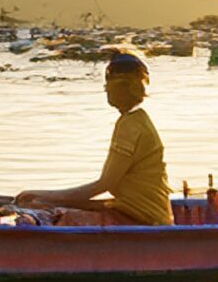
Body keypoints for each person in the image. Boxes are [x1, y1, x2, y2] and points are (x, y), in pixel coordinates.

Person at [15, 51, 173, 225]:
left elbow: (103, 184)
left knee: (52, 217)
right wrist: (50, 199)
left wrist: (48, 196)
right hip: (133, 211)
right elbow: (110, 194)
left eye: (113, 85)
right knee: (47, 208)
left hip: (144, 220)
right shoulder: (135, 119)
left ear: (127, 88)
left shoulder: (130, 125)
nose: (107, 90)